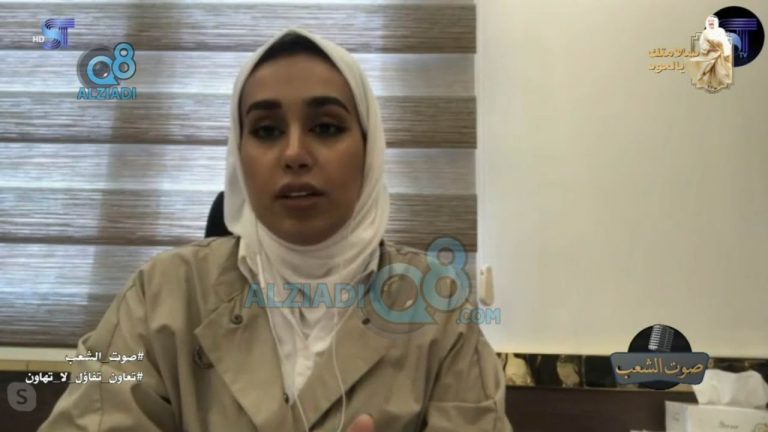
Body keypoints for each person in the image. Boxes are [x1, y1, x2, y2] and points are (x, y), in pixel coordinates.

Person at [39, 28, 512, 431]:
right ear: (238, 154)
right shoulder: (159, 296)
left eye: (326, 127)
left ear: (370, 151)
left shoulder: (441, 307)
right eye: (266, 130)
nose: (294, 154)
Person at [689, 15, 733, 92]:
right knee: (707, 63)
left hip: (720, 53)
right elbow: (702, 44)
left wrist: (723, 50)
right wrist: (710, 49)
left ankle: (717, 83)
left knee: (720, 68)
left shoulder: (720, 31)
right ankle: (708, 82)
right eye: (709, 21)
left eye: (712, 21)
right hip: (709, 53)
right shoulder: (705, 32)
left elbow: (725, 42)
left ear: (716, 22)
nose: (711, 23)